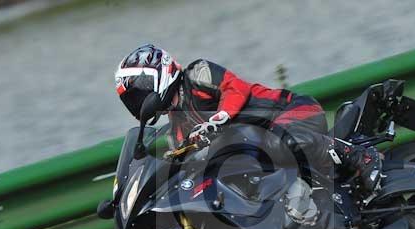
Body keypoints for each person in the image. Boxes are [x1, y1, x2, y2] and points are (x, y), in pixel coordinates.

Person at [114, 44, 382, 192]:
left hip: (291, 112)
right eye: (134, 98)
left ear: (158, 73)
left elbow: (235, 88)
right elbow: (180, 157)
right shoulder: (177, 126)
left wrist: (218, 118)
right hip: (260, 145)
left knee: (279, 142)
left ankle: (361, 157)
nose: (139, 101)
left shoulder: (198, 73)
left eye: (139, 92)